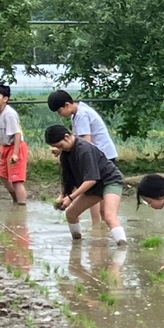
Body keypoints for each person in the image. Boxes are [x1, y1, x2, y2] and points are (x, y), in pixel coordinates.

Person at [45, 125, 126, 245]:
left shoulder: (84, 149)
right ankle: (77, 244)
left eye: (60, 146)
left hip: (110, 181)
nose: (59, 149)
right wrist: (63, 195)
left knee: (109, 216)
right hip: (95, 186)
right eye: (56, 147)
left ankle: (122, 246)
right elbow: (68, 178)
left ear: (67, 137)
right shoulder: (66, 153)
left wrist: (71, 197)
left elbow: (91, 179)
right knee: (71, 214)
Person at [48, 90, 117, 226]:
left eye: (59, 111)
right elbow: (76, 141)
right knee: (96, 193)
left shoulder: (81, 116)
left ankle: (96, 226)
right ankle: (98, 225)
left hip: (102, 157)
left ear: (67, 105)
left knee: (93, 191)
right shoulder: (80, 111)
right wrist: (61, 148)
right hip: (102, 155)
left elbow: (86, 143)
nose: (60, 115)